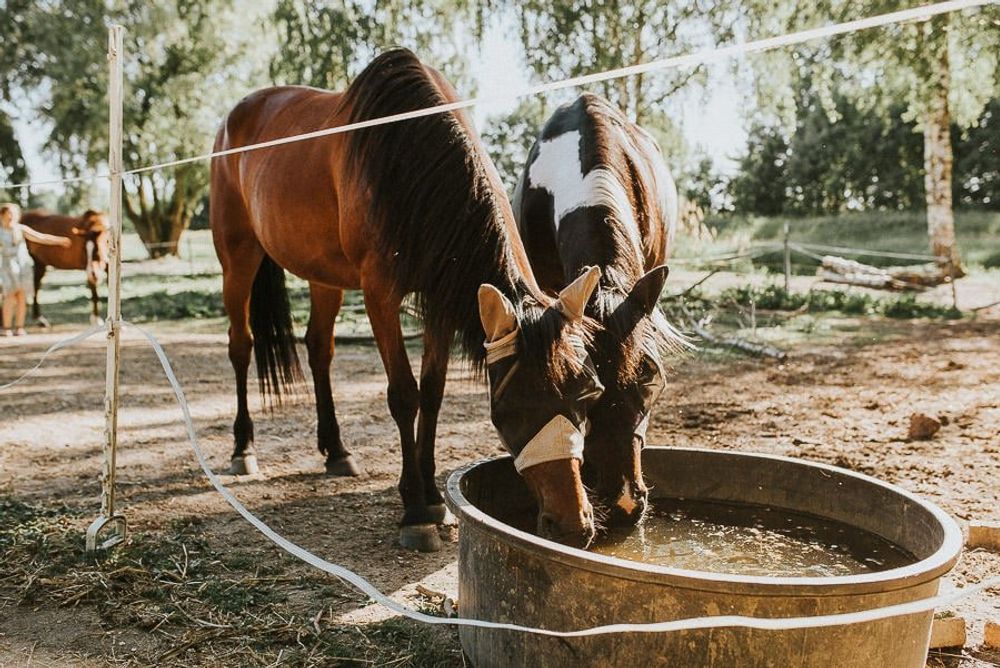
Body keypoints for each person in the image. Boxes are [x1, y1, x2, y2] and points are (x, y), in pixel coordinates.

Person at [0, 202, 71, 336]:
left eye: (14, 214)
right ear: (2, 215)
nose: (11, 217)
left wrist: (59, 240)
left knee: (22, 295)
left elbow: (41, 237)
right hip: (7, 266)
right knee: (9, 296)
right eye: (8, 214)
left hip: (23, 265)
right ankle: (6, 327)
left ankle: (19, 327)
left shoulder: (20, 229)